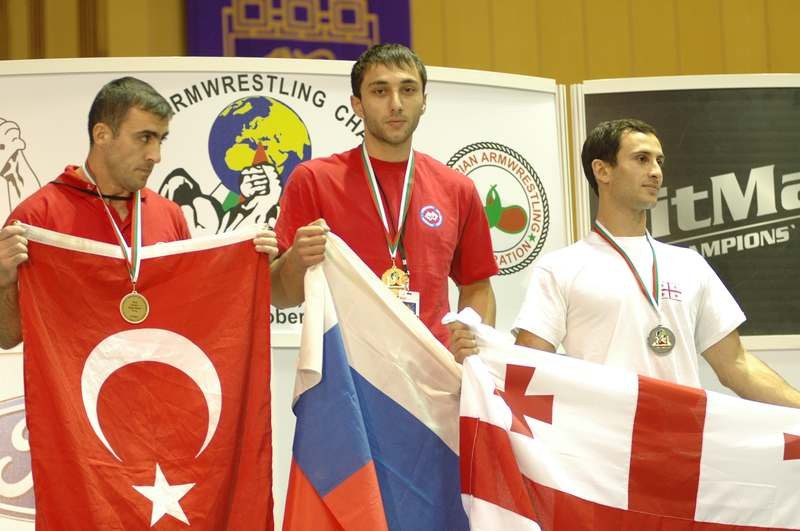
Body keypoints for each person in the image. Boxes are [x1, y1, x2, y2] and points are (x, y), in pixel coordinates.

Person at [511, 118, 800, 407]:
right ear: (602, 170)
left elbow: (738, 365)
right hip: (605, 446)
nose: (656, 172)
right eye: (641, 159)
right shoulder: (561, 267)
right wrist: (477, 351)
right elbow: (528, 368)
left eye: (659, 161)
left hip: (682, 443)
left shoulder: (689, 264)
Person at [0, 76, 277, 349]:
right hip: (74, 393)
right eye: (145, 138)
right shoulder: (37, 217)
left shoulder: (169, 214)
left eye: (160, 140)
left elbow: (191, 317)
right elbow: (7, 336)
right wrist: (2, 279)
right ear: (102, 135)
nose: (156, 155)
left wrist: (247, 265)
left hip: (155, 389)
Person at [270, 43, 497, 350]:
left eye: (408, 90)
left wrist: (474, 340)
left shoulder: (457, 188)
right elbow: (279, 296)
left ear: (424, 101)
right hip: (346, 377)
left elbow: (477, 286)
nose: (396, 104)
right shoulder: (314, 180)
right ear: (357, 104)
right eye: (380, 91)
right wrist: (296, 260)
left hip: (433, 377)